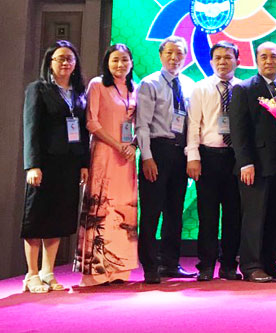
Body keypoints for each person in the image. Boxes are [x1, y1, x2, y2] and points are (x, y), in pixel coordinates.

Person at [21, 40, 89, 293]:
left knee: (60, 217)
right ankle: (31, 273)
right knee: (37, 216)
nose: (65, 63)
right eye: (60, 58)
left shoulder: (78, 92)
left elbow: (81, 130)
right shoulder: (38, 89)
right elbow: (31, 128)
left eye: (70, 59)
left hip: (69, 164)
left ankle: (48, 271)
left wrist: (84, 163)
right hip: (45, 163)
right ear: (50, 62)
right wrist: (32, 165)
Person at [76, 44, 139, 286]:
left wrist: (132, 145)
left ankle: (120, 269)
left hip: (126, 157)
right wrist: (117, 144)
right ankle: (96, 271)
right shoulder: (97, 85)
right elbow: (91, 122)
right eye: (115, 60)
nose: (120, 65)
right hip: (104, 152)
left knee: (123, 209)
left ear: (131, 63)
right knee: (102, 208)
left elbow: (139, 123)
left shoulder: (135, 88)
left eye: (124, 60)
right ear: (107, 63)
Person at [136, 35, 196, 284]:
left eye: (180, 53)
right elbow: (141, 125)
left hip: (180, 153)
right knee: (151, 211)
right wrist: (147, 158)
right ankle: (150, 265)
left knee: (175, 211)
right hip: (157, 151)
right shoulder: (150, 83)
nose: (175, 58)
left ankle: (170, 263)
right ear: (161, 55)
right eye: (170, 53)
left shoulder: (190, 84)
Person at [229, 41, 276, 283]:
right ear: (256, 60)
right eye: (263, 56)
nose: (268, 61)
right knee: (254, 217)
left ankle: (269, 261)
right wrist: (246, 163)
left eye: (273, 56)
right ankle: (251, 265)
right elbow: (239, 130)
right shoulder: (244, 89)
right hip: (255, 165)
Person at [186, 41, 242, 281]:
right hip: (208, 156)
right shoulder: (201, 88)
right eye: (218, 58)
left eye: (228, 57)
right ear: (211, 62)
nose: (222, 62)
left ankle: (229, 265)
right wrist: (193, 157)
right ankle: (206, 265)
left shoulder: (243, 88)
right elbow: (193, 125)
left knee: (234, 214)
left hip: (235, 159)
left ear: (237, 61)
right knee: (207, 215)